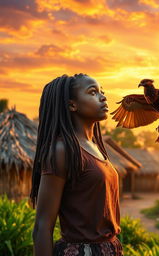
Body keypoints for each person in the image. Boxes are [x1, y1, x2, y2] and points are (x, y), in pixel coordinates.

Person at [30, 73, 124, 256]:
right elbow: (42, 225)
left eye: (102, 91)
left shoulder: (97, 148)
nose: (103, 96)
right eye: (93, 92)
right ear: (72, 104)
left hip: (109, 249)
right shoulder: (62, 150)